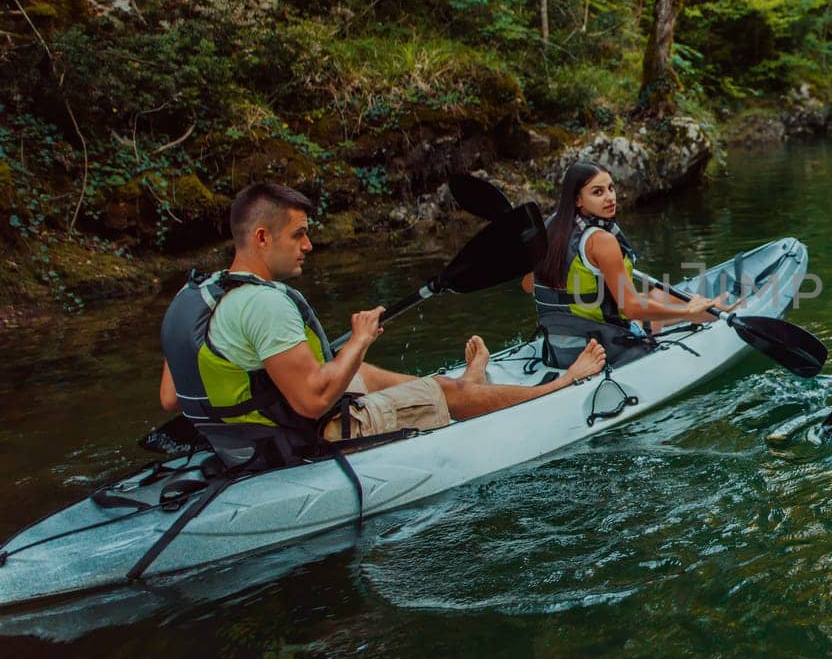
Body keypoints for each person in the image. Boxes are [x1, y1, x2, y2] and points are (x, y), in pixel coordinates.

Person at [159, 183, 606, 467]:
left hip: (243, 439)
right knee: (437, 391)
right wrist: (359, 339)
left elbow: (170, 396)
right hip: (299, 438)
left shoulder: (200, 295)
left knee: (363, 374)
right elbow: (313, 402)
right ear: (261, 237)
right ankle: (556, 385)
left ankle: (469, 390)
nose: (308, 245)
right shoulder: (263, 306)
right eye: (298, 234)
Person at [523, 161, 721, 365]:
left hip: (559, 346)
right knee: (670, 304)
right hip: (602, 347)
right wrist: (688, 312)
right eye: (597, 192)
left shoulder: (550, 227)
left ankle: (714, 306)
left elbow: (528, 286)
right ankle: (722, 311)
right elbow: (631, 309)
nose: (610, 197)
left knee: (658, 295)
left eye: (611, 188)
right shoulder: (601, 241)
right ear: (578, 200)